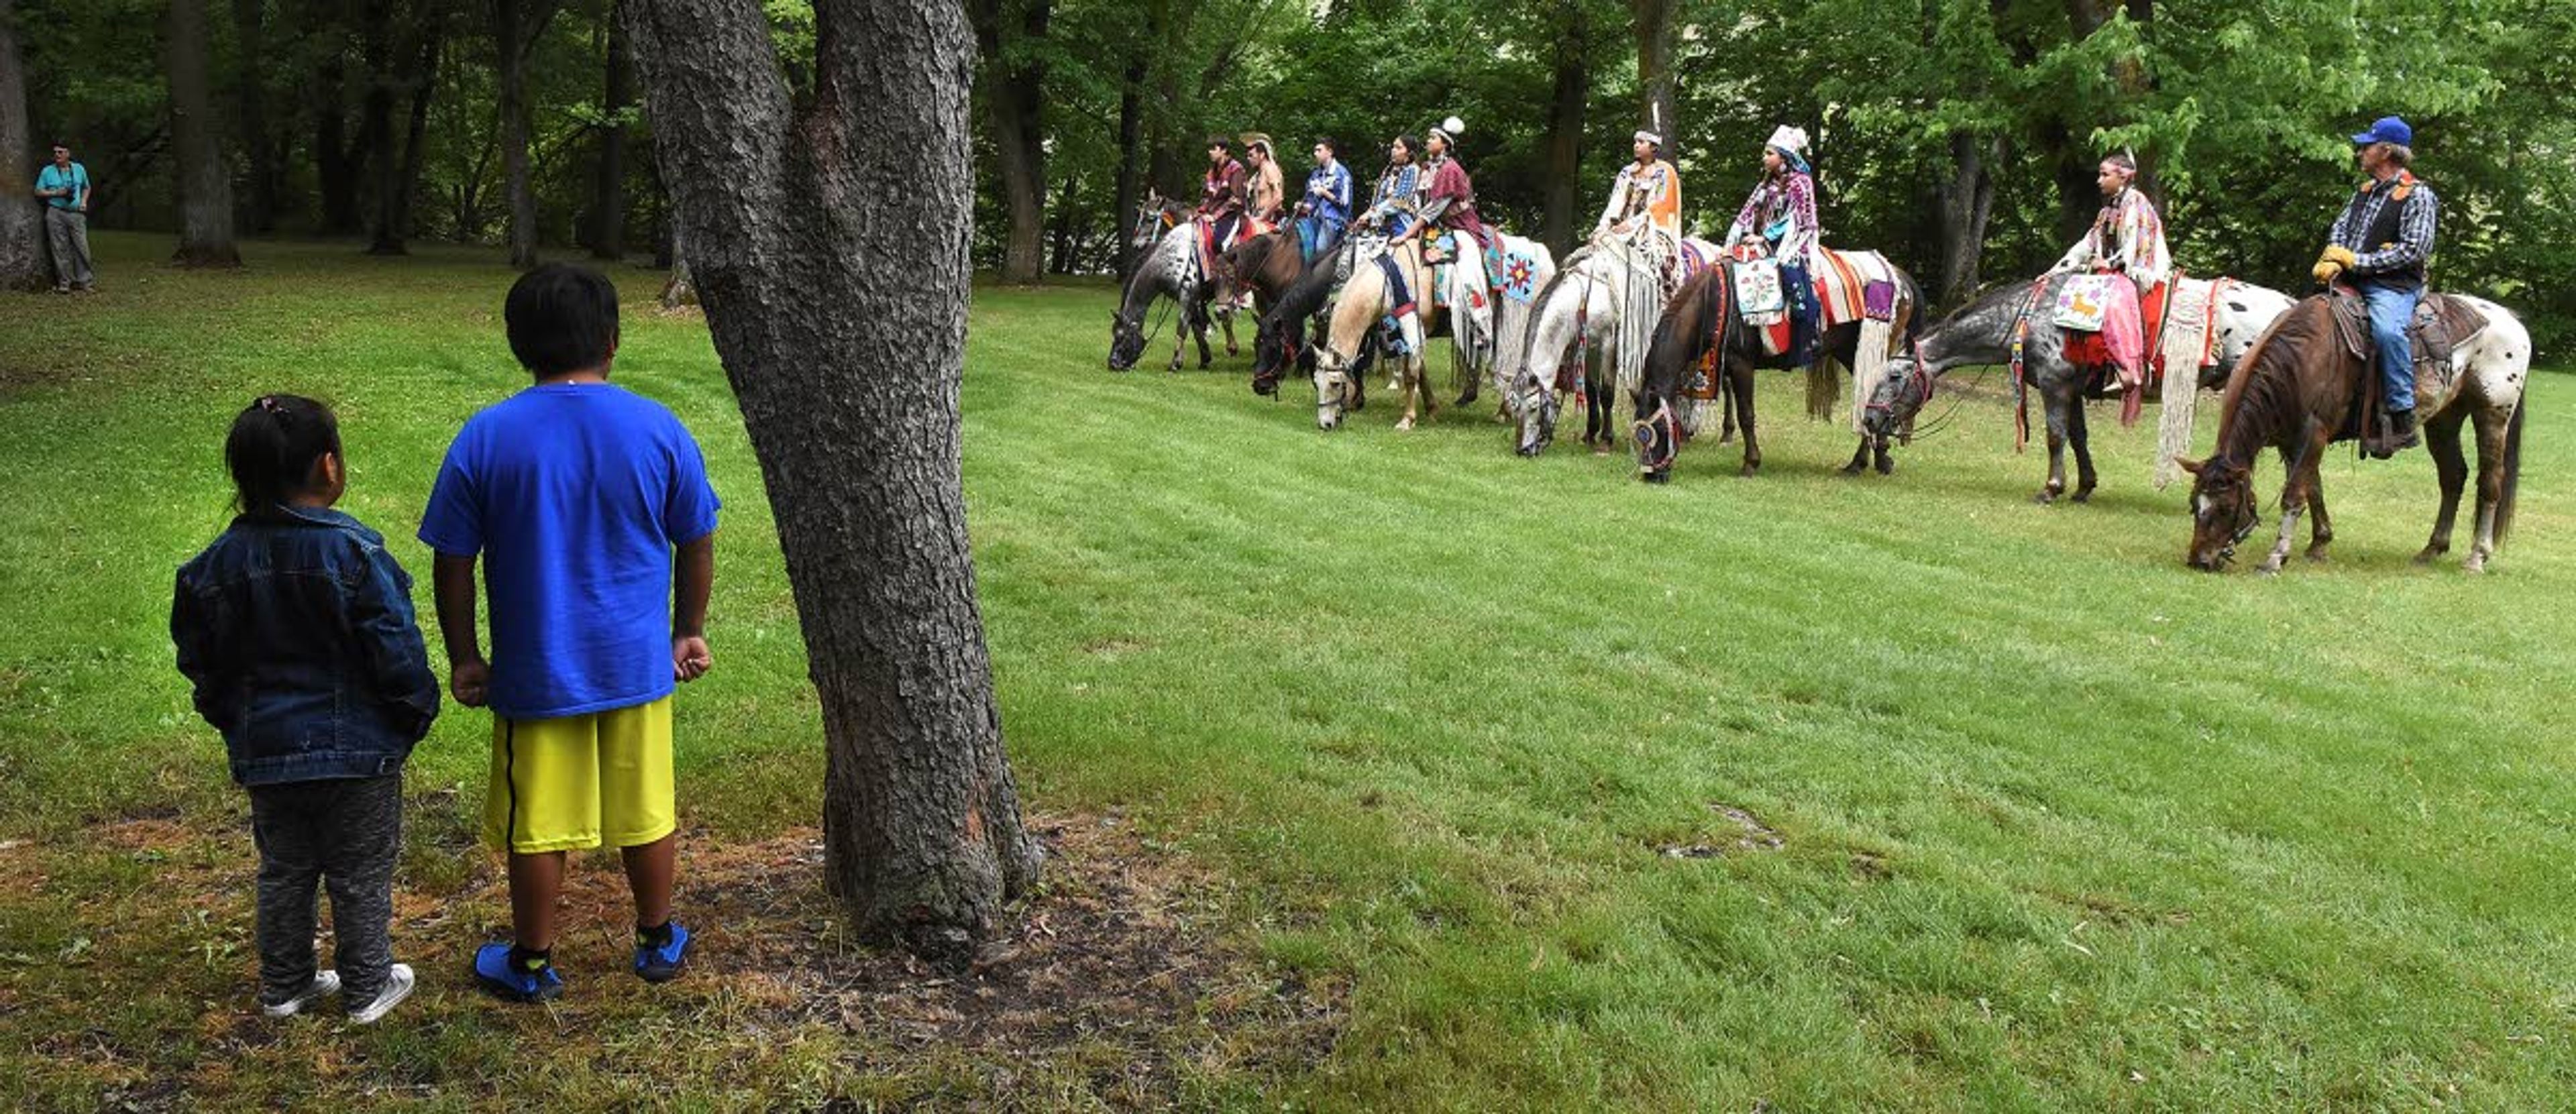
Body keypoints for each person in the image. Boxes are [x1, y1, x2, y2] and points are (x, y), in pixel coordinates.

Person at [419, 264, 720, 1003]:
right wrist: (686, 631)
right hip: (636, 665)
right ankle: (656, 939)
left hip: (536, 671)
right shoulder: (660, 428)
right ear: (613, 341)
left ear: (518, 345)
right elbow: (697, 537)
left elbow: (453, 559)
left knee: (539, 822)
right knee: (647, 807)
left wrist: (465, 654)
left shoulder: (486, 436)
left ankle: (530, 959)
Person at [173, 394, 437, 1025]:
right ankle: (367, 986)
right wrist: (414, 712)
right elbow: (395, 649)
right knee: (361, 869)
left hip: (266, 751)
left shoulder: (211, 568)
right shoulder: (356, 555)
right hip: (359, 754)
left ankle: (285, 985)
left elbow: (200, 660)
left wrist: (233, 719)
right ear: (329, 466)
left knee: (285, 868)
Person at [2314, 115, 2438, 456]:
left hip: (2393, 288)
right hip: (2351, 283)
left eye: (2366, 147)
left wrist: (2357, 261)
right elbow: (2340, 230)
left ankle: (2401, 413)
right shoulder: (2364, 192)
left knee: (2387, 332)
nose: (2360, 152)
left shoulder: (2418, 195)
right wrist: (2335, 258)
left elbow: (2415, 249)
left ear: (2385, 151)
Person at [1723, 125, 1823, 366]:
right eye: (1765, 153)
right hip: (1761, 245)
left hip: (1792, 247)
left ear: (1785, 157)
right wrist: (1731, 241)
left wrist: (1765, 238)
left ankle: (1807, 343)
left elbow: (1798, 219)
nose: (1764, 157)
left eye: (1770, 153)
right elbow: (1745, 215)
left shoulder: (1801, 183)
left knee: (1796, 290)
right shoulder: (1765, 186)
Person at [1593, 127, 1684, 288]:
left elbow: (1663, 205)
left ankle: (1666, 295)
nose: (1636, 145)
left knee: (1658, 258)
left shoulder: (1665, 172)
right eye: (1636, 142)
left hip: (1651, 229)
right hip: (1620, 227)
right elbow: (1615, 201)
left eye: (1641, 142)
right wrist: (1603, 226)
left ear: (1654, 147)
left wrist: (1633, 224)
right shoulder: (1627, 172)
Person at [34, 142, 94, 294]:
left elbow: (87, 187)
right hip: (56, 212)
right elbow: (38, 191)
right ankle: (65, 283)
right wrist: (55, 193)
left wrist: (83, 202)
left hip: (76, 214)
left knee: (82, 248)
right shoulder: (47, 171)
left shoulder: (79, 169)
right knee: (60, 249)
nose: (57, 155)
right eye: (55, 152)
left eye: (60, 152)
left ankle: (85, 282)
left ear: (68, 154)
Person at [1294, 137, 1353, 262]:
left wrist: (1324, 192)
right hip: (1315, 218)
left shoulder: (1342, 174)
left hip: (1334, 221)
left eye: (1319, 150)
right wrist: (1303, 206)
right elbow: (1311, 203)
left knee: (1320, 251)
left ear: (1330, 152)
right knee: (1298, 244)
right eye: (1315, 151)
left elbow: (1344, 202)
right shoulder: (1315, 174)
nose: (1315, 153)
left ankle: (1322, 280)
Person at [1357, 135, 1423, 239]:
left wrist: (1370, 214)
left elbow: (1399, 202)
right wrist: (1368, 215)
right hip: (1380, 225)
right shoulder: (1389, 171)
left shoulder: (1412, 170)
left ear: (1410, 153)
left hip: (1400, 225)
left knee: (1397, 255)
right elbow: (1378, 199)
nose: (1393, 151)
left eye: (1398, 148)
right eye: (1393, 147)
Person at [1200, 135, 1250, 252]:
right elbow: (1206, 196)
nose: (1210, 152)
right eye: (1209, 149)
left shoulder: (1236, 169)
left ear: (1224, 150)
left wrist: (1214, 217)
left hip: (1231, 215)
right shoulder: (1212, 171)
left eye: (1213, 149)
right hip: (1211, 213)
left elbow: (1236, 200)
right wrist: (1200, 212)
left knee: (1218, 244)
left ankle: (1223, 270)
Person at [1244, 135, 1285, 225]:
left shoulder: (1270, 169)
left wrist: (1261, 218)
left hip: (1271, 220)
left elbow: (1278, 197)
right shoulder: (1257, 175)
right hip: (1258, 216)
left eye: (1251, 155)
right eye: (1247, 156)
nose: (1248, 159)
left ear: (1262, 155)